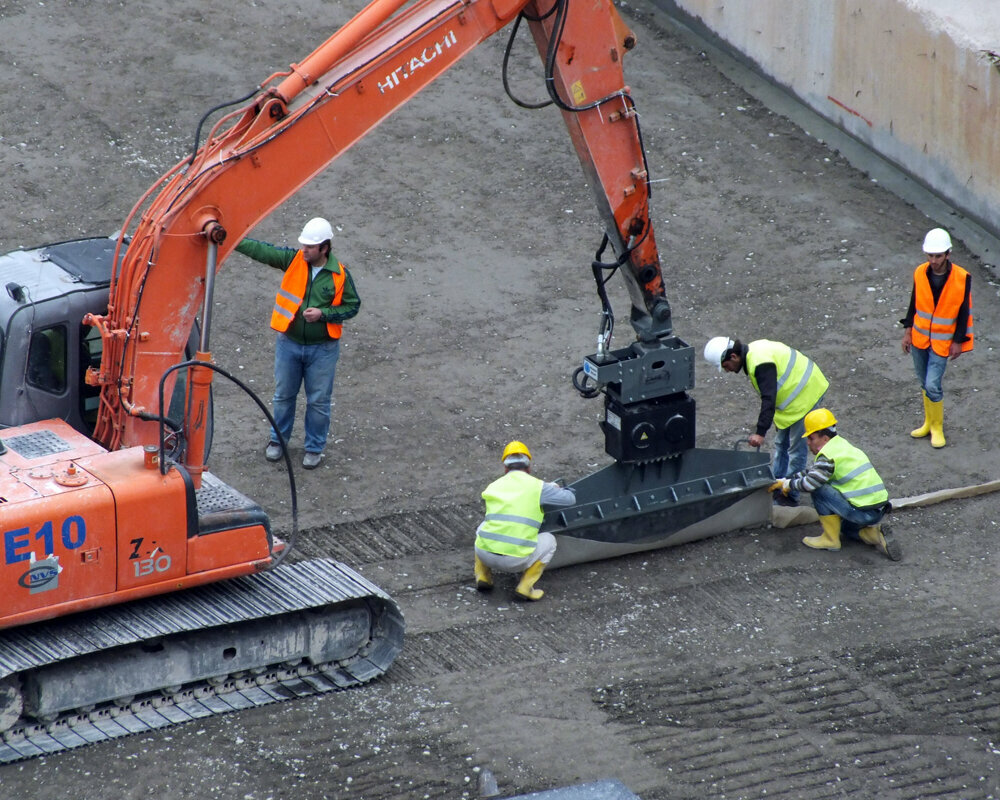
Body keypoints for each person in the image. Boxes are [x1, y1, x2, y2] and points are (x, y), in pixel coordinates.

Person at [236, 217, 360, 469]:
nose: (304, 250)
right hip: (289, 343)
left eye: (310, 247)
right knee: (283, 396)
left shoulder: (340, 275)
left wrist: (323, 314)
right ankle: (277, 441)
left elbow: (352, 306)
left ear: (324, 248)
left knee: (318, 401)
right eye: (303, 245)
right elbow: (264, 251)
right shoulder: (294, 260)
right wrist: (233, 242)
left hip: (323, 349)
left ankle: (314, 448)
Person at [704, 336, 828, 507]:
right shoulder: (753, 354)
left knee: (795, 450)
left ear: (733, 357)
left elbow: (768, 398)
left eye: (726, 366)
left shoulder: (759, 363)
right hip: (795, 395)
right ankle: (776, 485)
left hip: (806, 393)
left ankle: (789, 496)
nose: (727, 370)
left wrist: (760, 432)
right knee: (781, 444)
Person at [770, 408, 901, 561]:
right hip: (877, 509)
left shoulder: (827, 456)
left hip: (861, 511)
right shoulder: (841, 447)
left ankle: (830, 540)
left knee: (819, 490)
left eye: (811, 438)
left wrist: (788, 485)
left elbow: (810, 483)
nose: (808, 442)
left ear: (824, 438)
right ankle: (876, 535)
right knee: (845, 529)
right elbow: (813, 472)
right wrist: (786, 481)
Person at [474, 441, 576, 601]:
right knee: (549, 541)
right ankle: (525, 587)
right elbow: (570, 499)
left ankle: (483, 576)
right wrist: (555, 488)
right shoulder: (539, 487)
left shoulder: (493, 486)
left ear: (505, 468)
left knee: (483, 528)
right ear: (528, 468)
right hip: (515, 561)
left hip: (485, 554)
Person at [900, 227, 973, 448]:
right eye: (930, 255)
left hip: (943, 342)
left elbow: (963, 311)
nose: (933, 260)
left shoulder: (962, 278)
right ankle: (928, 423)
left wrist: (959, 341)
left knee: (932, 384)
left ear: (948, 254)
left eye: (938, 256)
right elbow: (914, 303)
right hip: (920, 338)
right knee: (924, 383)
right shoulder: (920, 272)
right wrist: (907, 331)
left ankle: (938, 427)